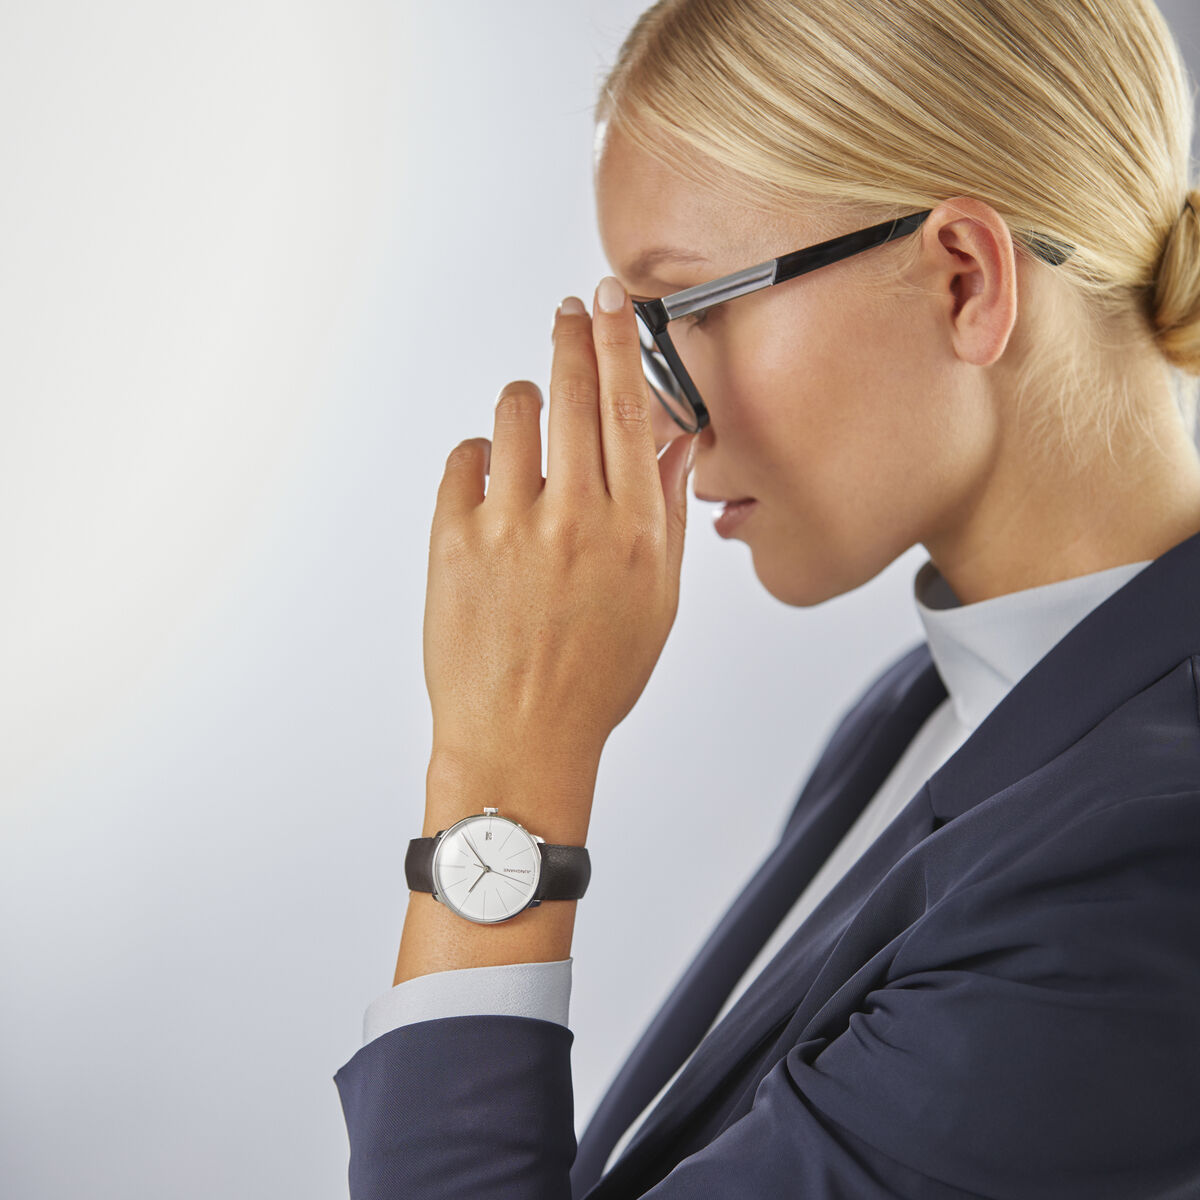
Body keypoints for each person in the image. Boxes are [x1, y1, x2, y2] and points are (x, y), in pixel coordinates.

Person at [333, 1, 1200, 1195]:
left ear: (964, 280)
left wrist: (506, 783)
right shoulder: (933, 706)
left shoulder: (1148, 872)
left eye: (687, 306)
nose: (663, 410)